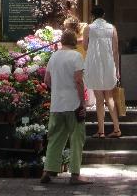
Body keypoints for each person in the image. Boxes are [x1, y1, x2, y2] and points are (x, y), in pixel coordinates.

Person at [41, 29, 90, 185]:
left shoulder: (54, 57)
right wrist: (82, 102)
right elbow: (78, 80)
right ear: (74, 42)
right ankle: (75, 175)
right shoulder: (76, 56)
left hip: (56, 104)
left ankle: (47, 170)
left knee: (55, 138)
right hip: (73, 104)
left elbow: (47, 80)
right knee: (76, 139)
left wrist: (58, 89)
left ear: (62, 41)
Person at [83, 4, 121, 138]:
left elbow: (85, 47)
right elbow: (116, 50)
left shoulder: (88, 28)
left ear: (92, 15)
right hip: (109, 65)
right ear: (103, 15)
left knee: (99, 99)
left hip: (94, 65)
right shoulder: (112, 28)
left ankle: (101, 131)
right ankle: (116, 128)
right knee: (109, 97)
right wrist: (117, 69)